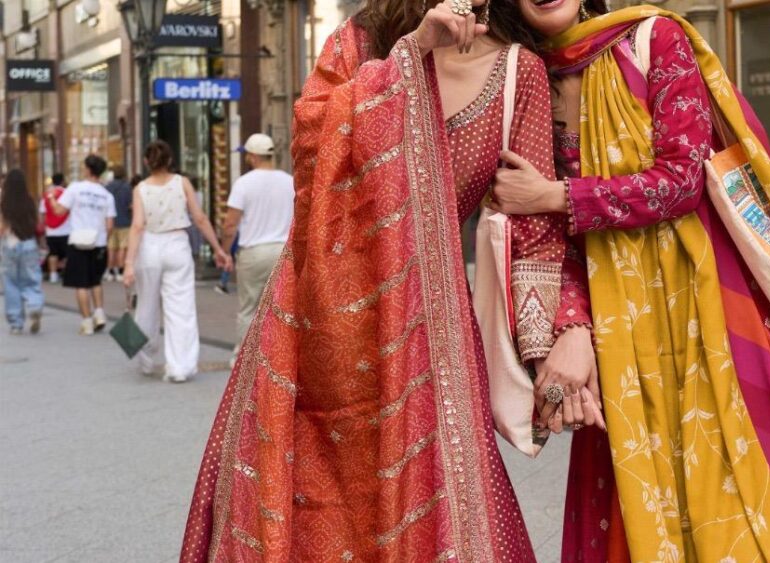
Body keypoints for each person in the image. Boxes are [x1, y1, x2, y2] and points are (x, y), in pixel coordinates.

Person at [178, 1, 596, 560]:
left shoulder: (519, 72)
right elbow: (309, 157)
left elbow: (533, 231)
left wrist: (557, 343)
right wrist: (412, 53)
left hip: (426, 337)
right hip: (310, 330)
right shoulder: (359, 41)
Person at [490, 2, 770, 561]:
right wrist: (572, 327)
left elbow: (681, 179)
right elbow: (542, 236)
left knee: (754, 497)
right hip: (618, 337)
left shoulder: (654, 39)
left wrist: (556, 195)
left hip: (710, 314)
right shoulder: (523, 80)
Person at [122, 141, 232, 383]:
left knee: (146, 305)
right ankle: (180, 366)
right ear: (170, 160)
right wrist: (218, 249)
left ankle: (145, 358)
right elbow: (200, 218)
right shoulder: (182, 183)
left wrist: (129, 263)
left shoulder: (140, 188)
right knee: (181, 308)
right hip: (177, 245)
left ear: (146, 162)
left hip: (149, 246)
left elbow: (137, 226)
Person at [219, 133, 295, 354]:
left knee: (249, 308)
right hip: (283, 251)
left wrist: (224, 252)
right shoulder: (289, 181)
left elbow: (230, 224)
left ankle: (244, 358)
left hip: (253, 253)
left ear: (252, 156)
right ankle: (278, 357)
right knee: (281, 307)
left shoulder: (244, 183)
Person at [47, 155, 116, 335]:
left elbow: (59, 210)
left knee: (81, 284)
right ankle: (99, 313)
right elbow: (110, 225)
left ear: (87, 169)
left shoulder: (75, 188)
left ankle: (86, 322)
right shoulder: (107, 195)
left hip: (78, 241)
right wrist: (103, 239)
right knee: (95, 281)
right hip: (99, 243)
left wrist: (51, 197)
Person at [2, 170, 45, 335]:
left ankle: (16, 323)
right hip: (29, 243)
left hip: (10, 243)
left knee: (11, 283)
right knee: (32, 279)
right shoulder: (29, 200)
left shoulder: (4, 202)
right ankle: (35, 306)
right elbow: (37, 223)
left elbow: (1, 227)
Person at [104, 164, 133, 281]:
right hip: (125, 221)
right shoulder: (127, 187)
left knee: (111, 248)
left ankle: (110, 271)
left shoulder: (107, 187)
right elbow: (131, 205)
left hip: (110, 221)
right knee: (123, 247)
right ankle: (120, 270)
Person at [40, 172, 70, 283]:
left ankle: (53, 274)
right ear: (63, 181)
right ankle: (66, 274)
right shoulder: (67, 193)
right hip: (66, 229)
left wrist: (44, 226)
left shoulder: (46, 195)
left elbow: (42, 212)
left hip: (50, 230)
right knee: (67, 254)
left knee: (53, 253)